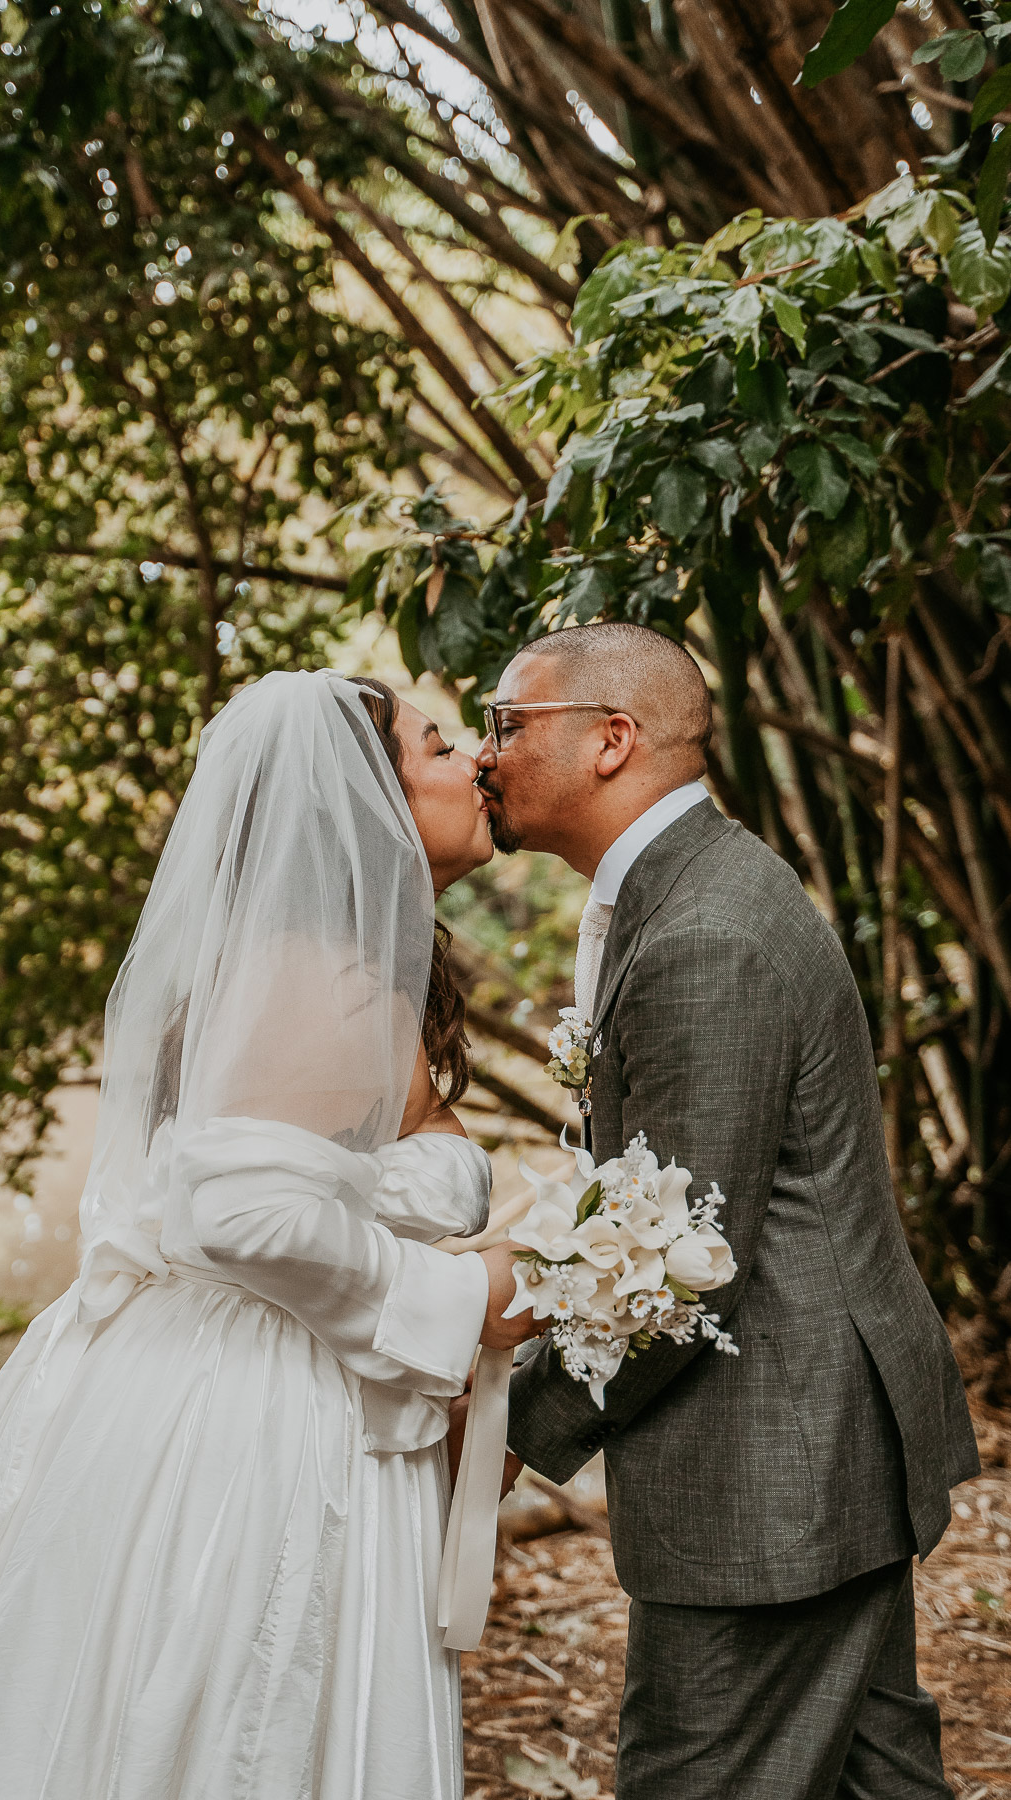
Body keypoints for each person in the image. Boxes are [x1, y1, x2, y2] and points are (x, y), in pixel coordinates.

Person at [0, 670, 536, 1800]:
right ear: (364, 802)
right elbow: (243, 1213)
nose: (476, 761)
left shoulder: (321, 970)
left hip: (209, 1381)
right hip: (257, 1423)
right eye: (440, 744)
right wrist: (458, 1299)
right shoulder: (326, 984)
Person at [474, 620, 979, 1800]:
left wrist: (511, 1426)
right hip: (816, 1447)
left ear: (611, 740)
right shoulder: (690, 888)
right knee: (879, 1779)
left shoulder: (705, 932)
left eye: (508, 722)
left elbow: (685, 1264)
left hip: (775, 1476)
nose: (485, 752)